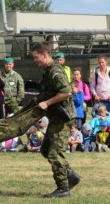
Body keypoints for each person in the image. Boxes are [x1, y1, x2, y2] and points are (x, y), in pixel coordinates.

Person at [31, 41, 80, 198]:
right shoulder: (47, 71)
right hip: (56, 117)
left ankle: (63, 188)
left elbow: (66, 92)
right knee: (45, 150)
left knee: (54, 153)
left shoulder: (55, 71)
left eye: (36, 57)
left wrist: (47, 103)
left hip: (63, 118)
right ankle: (71, 175)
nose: (35, 60)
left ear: (45, 54)